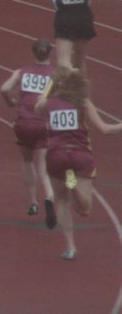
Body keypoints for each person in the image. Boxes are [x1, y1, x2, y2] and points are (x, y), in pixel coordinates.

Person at [34, 67, 122, 260]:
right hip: (80, 155)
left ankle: (70, 247)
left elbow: (37, 105)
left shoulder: (48, 103)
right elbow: (105, 129)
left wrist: (51, 85)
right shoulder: (83, 102)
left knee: (62, 201)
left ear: (58, 85)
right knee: (85, 210)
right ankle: (73, 186)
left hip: (56, 155)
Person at [0, 38, 55, 226]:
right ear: (50, 54)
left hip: (23, 122)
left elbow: (4, 88)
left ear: (33, 54)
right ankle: (49, 195)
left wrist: (11, 102)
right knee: (44, 164)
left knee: (26, 159)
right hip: (44, 122)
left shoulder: (21, 72)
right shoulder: (55, 75)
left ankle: (33, 202)